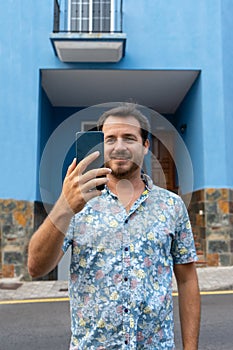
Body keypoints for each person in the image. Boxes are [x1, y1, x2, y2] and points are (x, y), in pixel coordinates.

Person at [28, 103, 201, 350]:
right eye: (111, 139)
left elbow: (187, 280)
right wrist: (64, 207)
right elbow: (36, 267)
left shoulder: (171, 206)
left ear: (145, 146)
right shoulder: (77, 203)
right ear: (102, 146)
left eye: (129, 138)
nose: (119, 147)